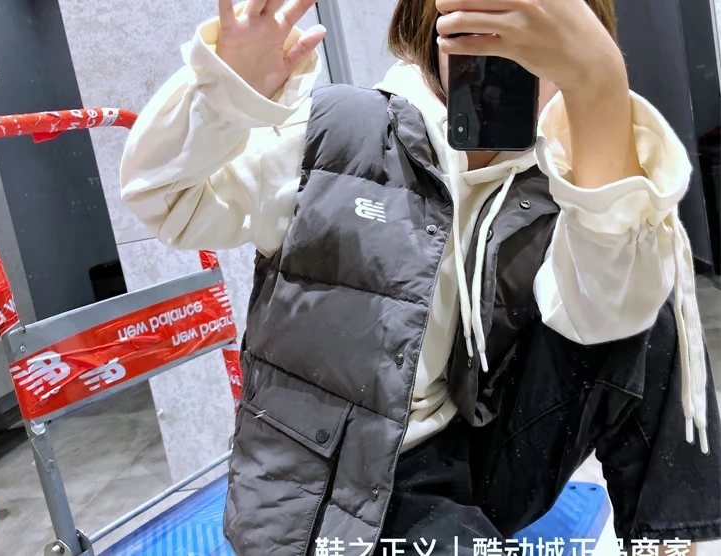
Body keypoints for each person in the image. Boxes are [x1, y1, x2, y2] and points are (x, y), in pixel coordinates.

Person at [120, 0, 721, 554]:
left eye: (540, 32)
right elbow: (166, 199)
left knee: (646, 291)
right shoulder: (340, 131)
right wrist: (225, 94)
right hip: (335, 487)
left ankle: (670, 543)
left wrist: (600, 88)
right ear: (432, 21)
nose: (508, 52)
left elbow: (610, 319)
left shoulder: (555, 177)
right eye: (480, 20)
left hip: (476, 451)